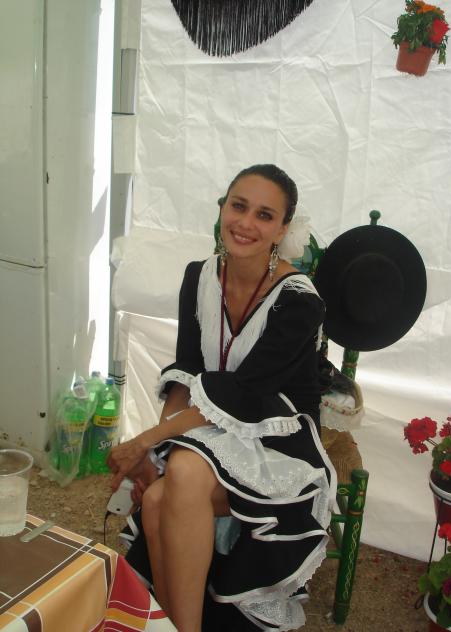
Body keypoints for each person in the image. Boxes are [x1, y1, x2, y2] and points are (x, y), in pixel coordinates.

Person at [107, 164, 336, 632]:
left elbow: (245, 392)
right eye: (238, 206)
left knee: (182, 475)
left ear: (282, 230)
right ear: (222, 208)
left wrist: (147, 441)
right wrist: (158, 448)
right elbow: (186, 373)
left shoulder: (300, 300)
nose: (246, 223)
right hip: (207, 427)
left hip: (279, 436)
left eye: (264, 215)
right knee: (160, 495)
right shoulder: (199, 276)